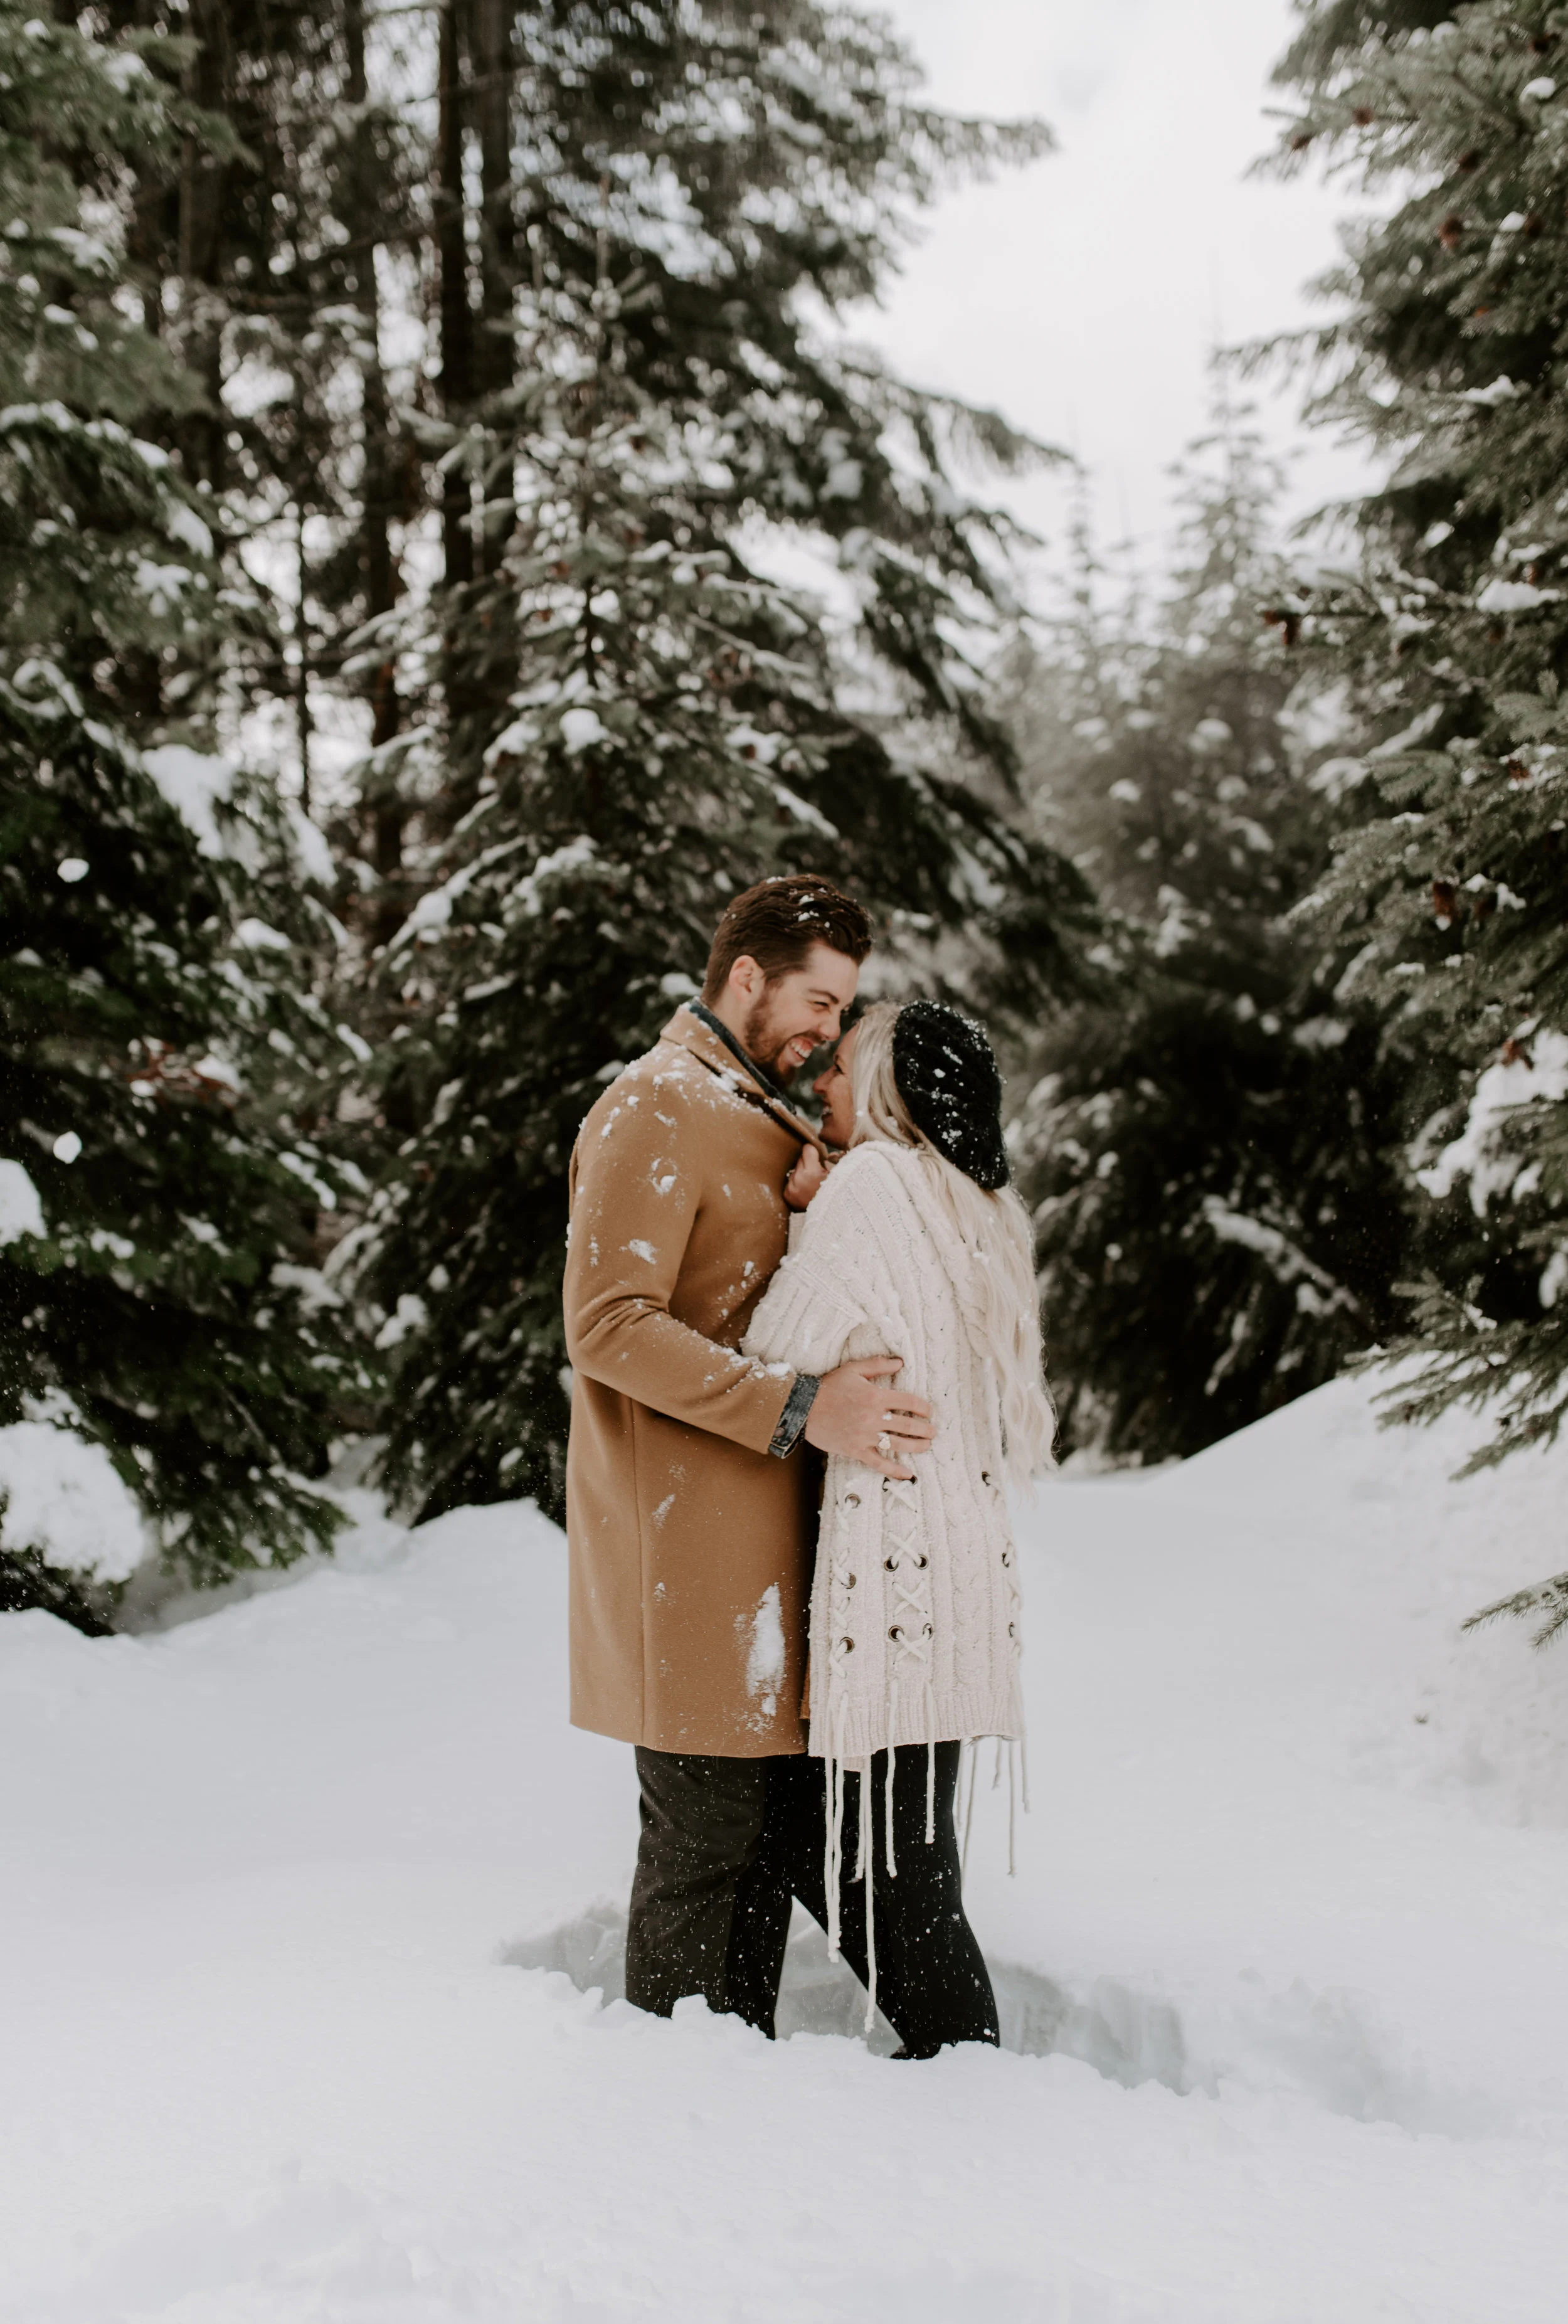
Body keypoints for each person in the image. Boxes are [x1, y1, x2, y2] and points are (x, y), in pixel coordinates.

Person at [561, 876, 935, 2032]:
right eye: (819, 1002)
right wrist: (799, 1407)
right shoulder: (655, 1106)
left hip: (778, 1562)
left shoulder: (769, 1115)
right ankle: (674, 2108)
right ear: (744, 979)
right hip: (689, 1560)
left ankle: (741, 2102)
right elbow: (607, 1325)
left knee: (760, 1853)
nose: (831, 1028)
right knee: (706, 1848)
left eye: (844, 1009)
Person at [741, 998, 1055, 2055]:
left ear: (883, 1085)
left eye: (841, 1064)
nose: (821, 1080)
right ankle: (963, 2071)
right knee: (905, 1864)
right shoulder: (972, 1199)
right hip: (957, 1571)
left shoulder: (872, 1183)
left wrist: (801, 1215)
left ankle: (969, 2081)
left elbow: (774, 1344)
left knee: (866, 1866)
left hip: (898, 1579)